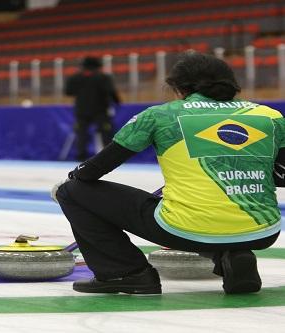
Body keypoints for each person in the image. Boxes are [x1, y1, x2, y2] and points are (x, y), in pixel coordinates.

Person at [53, 51, 283, 295]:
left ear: (180, 89)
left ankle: (127, 273)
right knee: (210, 216)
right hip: (263, 231)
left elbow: (93, 171)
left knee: (72, 191)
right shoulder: (270, 116)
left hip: (185, 229)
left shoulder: (161, 115)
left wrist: (73, 176)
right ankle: (230, 254)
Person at [65, 56, 121, 161]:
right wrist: (117, 102)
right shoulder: (103, 77)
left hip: (82, 110)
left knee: (82, 133)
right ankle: (109, 157)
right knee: (106, 133)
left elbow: (68, 92)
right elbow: (111, 91)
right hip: (101, 110)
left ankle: (81, 156)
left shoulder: (75, 78)